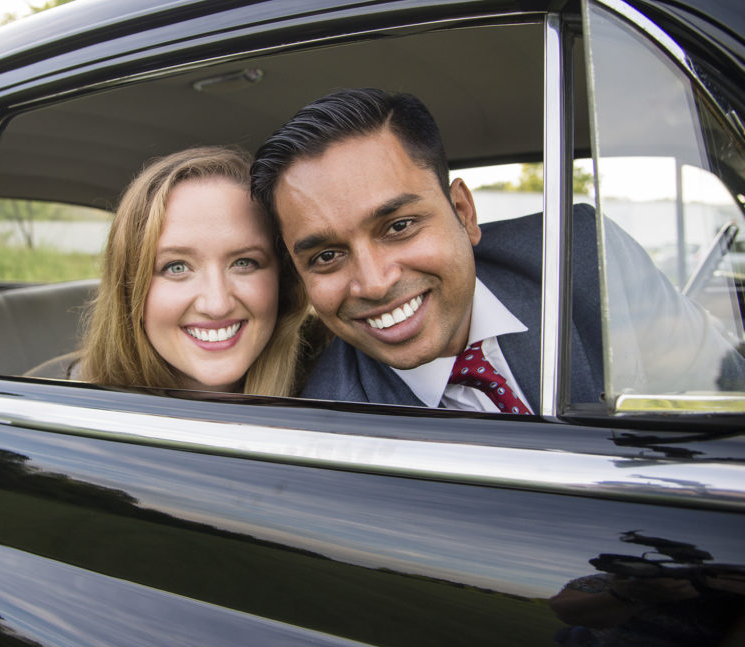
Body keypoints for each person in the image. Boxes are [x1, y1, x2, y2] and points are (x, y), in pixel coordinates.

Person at [250, 88, 742, 412]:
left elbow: (723, 384)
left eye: (399, 225)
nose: (375, 282)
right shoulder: (333, 423)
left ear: (464, 213)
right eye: (327, 257)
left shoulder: (581, 256)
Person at [30, 146, 309, 396]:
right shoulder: (58, 419)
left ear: (283, 280)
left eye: (244, 263)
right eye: (177, 267)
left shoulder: (337, 396)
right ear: (130, 290)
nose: (217, 304)